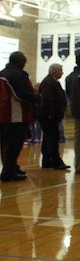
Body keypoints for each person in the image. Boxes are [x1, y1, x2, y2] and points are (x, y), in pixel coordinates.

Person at [0, 51, 40, 181]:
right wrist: (38, 98)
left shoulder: (2, 73)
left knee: (5, 144)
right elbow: (22, 94)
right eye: (23, 62)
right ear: (17, 62)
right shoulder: (17, 75)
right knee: (14, 144)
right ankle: (8, 172)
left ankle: (10, 166)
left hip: (4, 114)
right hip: (15, 115)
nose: (24, 64)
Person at [36, 63, 69, 170]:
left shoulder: (52, 81)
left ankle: (47, 161)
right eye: (61, 70)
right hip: (48, 115)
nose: (62, 73)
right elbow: (46, 99)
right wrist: (51, 112)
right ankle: (56, 162)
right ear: (55, 72)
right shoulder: (48, 83)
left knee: (47, 138)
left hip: (50, 114)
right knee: (53, 138)